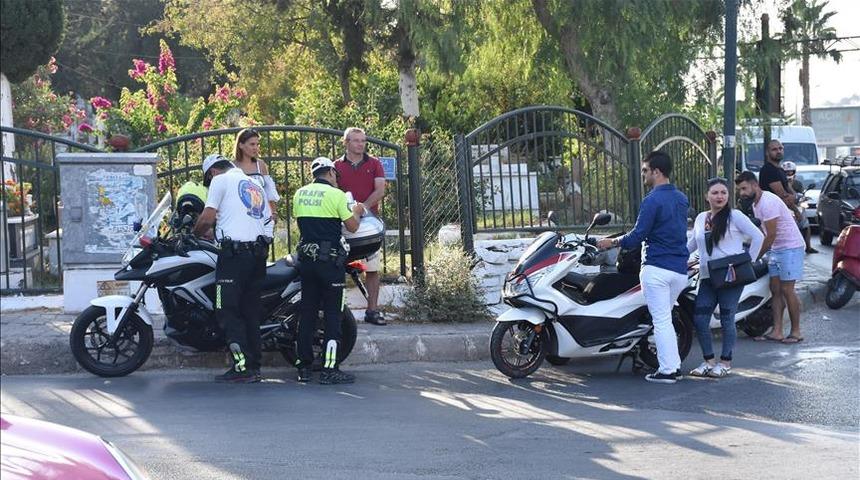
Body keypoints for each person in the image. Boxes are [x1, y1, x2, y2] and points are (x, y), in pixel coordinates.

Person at [597, 151, 690, 384]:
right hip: (679, 270)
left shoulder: (652, 200)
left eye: (645, 170)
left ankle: (668, 370)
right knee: (665, 318)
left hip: (657, 268)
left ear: (657, 172)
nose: (644, 174)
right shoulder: (681, 198)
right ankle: (673, 366)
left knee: (661, 320)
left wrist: (612, 242)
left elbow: (637, 236)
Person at [193, 154, 271, 382]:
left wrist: (193, 235)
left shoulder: (220, 181)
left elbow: (206, 218)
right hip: (257, 256)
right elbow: (268, 221)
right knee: (250, 313)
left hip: (233, 258)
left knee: (225, 309)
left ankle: (241, 367)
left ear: (212, 172)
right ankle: (254, 367)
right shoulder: (254, 184)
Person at [293, 157, 366, 384]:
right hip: (330, 263)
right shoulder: (337, 195)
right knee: (333, 316)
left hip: (306, 261)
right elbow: (352, 226)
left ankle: (304, 368)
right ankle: (329, 369)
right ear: (331, 173)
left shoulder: (299, 194)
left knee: (307, 313)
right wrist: (357, 211)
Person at [687, 178, 764, 378]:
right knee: (700, 319)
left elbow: (758, 237)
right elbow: (692, 244)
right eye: (715, 193)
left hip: (731, 276)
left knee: (727, 319)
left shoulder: (735, 216)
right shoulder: (701, 218)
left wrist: (748, 262)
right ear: (707, 196)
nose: (719, 196)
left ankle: (725, 362)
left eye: (723, 192)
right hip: (707, 276)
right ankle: (708, 361)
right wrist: (675, 258)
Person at [735, 171, 806, 344]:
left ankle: (796, 332)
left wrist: (755, 256)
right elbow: (762, 233)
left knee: (787, 290)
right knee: (775, 290)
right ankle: (777, 331)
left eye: (744, 188)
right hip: (776, 249)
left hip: (790, 248)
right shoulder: (756, 205)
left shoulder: (768, 202)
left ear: (755, 185)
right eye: (740, 190)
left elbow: (771, 235)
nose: (742, 193)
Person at [334, 127, 387, 326]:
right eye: (356, 140)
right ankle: (338, 312)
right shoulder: (336, 166)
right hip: (343, 223)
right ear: (346, 142)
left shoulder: (374, 163)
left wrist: (362, 208)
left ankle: (372, 311)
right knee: (337, 268)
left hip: (369, 224)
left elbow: (380, 190)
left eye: (363, 140)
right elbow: (333, 192)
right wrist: (349, 212)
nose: (360, 144)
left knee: (371, 268)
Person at [232, 128, 279, 237]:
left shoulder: (260, 165)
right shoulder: (232, 166)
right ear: (241, 145)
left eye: (257, 144)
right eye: (252, 144)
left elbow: (269, 190)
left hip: (260, 215)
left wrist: (273, 212)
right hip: (240, 216)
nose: (255, 148)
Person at [781, 160, 818, 254]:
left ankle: (808, 246)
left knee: (806, 225)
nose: (789, 174)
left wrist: (803, 198)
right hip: (785, 207)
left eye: (791, 172)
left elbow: (801, 194)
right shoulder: (780, 183)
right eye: (786, 172)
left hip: (797, 206)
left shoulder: (798, 183)